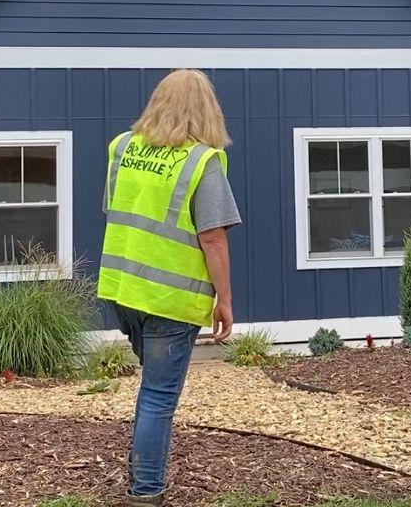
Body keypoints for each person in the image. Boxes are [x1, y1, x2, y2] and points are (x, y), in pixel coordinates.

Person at [98, 69, 240, 506]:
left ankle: (140, 476)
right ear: (206, 109)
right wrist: (225, 300)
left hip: (123, 291)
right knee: (159, 397)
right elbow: (212, 237)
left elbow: (114, 210)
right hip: (171, 300)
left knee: (151, 391)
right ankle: (146, 492)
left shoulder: (122, 148)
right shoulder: (203, 161)